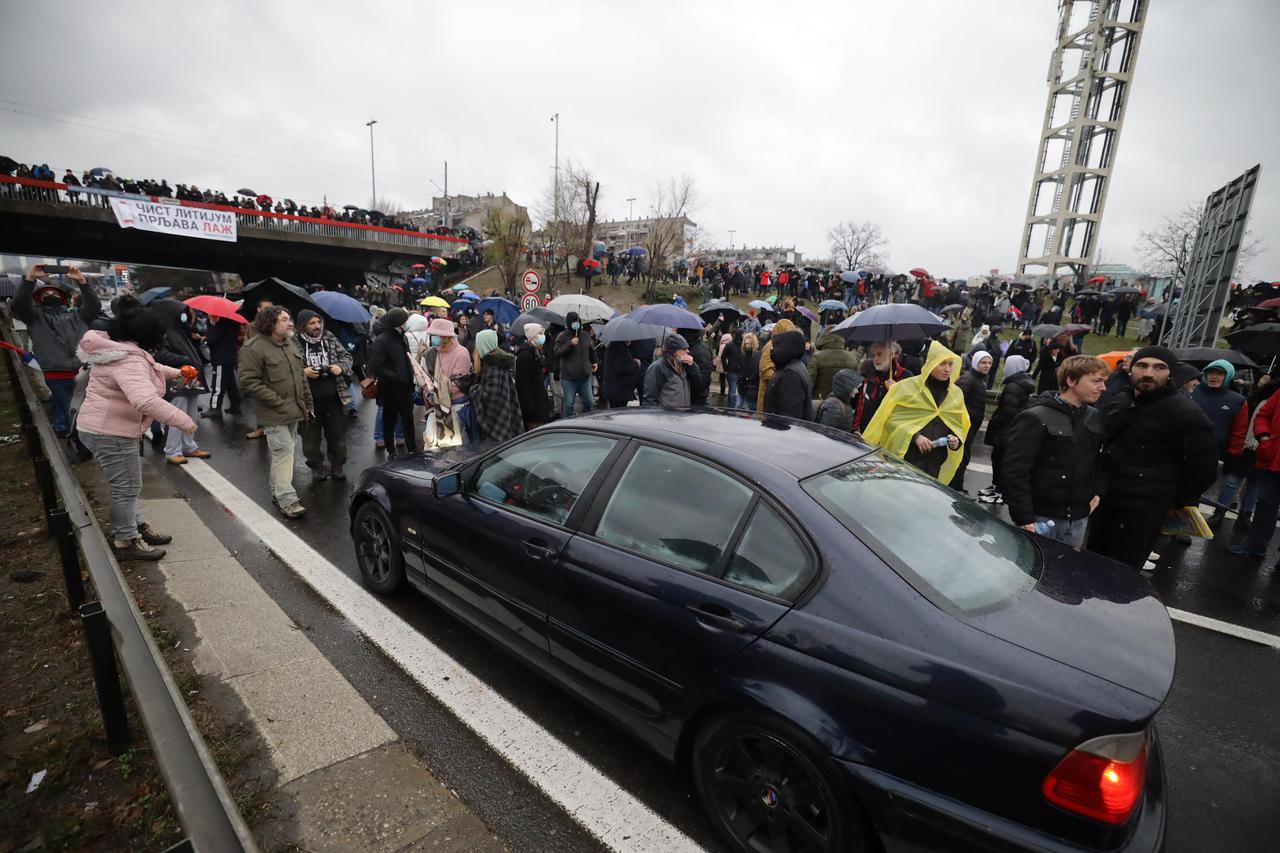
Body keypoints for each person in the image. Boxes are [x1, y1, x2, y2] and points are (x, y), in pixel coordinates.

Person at [76, 298, 197, 560]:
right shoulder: (128, 359)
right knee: (126, 487)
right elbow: (144, 400)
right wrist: (184, 421)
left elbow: (150, 367)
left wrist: (176, 373)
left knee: (128, 484)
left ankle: (134, 525)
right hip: (111, 432)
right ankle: (126, 539)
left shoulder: (120, 349)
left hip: (102, 427)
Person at [1089, 346, 1218, 570]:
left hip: (1143, 511)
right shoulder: (1122, 400)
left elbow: (1203, 468)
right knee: (1091, 566)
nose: (1149, 373)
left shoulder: (1185, 412)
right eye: (1142, 365)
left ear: (1170, 373)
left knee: (1120, 575)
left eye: (1159, 367)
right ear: (1130, 369)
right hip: (1106, 502)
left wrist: (1179, 500)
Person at [1000, 356, 1109, 548]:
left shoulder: (1094, 417)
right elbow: (1015, 470)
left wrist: (1098, 492)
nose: (1103, 388)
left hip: (1078, 519)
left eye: (1104, 382)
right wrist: (1023, 516)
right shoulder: (1035, 417)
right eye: (1096, 381)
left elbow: (1100, 461)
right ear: (1071, 380)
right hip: (1039, 518)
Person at [237, 306, 313, 519]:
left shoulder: (290, 344)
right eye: (284, 320)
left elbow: (301, 377)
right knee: (284, 453)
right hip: (274, 413)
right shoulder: (254, 348)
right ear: (270, 323)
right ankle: (287, 499)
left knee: (283, 454)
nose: (290, 323)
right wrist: (277, 401)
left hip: (294, 410)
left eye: (289, 319)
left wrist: (308, 404)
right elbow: (247, 382)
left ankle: (277, 492)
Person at [13, 264, 101, 436]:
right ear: (38, 298)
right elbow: (19, 304)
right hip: (56, 374)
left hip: (84, 373)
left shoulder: (78, 315)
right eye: (44, 293)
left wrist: (83, 282)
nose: (49, 294)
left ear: (63, 297)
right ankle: (78, 444)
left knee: (82, 410)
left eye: (54, 292)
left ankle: (66, 431)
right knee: (74, 412)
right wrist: (29, 279)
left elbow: (94, 305)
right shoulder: (34, 318)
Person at [863, 341, 969, 482]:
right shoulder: (908, 387)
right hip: (906, 459)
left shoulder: (956, 394)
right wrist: (915, 436)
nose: (947, 369)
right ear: (931, 363)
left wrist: (955, 439)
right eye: (942, 364)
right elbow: (890, 420)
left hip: (934, 463)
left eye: (950, 364)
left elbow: (958, 423)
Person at [1190, 359, 1249, 526]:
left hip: (1212, 452)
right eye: (1211, 372)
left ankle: (1186, 527)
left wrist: (1234, 454)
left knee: (1197, 488)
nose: (1214, 377)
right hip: (1184, 448)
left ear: (1228, 376)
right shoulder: (1192, 391)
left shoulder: (1237, 400)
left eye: (1219, 373)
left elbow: (1240, 429)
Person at [151, 299, 211, 465]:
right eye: (182, 313)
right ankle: (173, 450)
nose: (185, 316)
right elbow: (161, 355)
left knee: (191, 414)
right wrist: (186, 359)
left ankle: (188, 446)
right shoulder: (162, 332)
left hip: (191, 378)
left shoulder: (181, 330)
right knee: (177, 414)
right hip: (176, 378)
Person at [294, 309, 352, 480]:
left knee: (337, 435)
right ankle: (316, 466)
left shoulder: (329, 337)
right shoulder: (293, 342)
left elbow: (347, 356)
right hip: (308, 401)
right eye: (312, 323)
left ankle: (337, 465)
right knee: (310, 439)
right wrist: (302, 371)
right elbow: (285, 367)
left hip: (334, 398)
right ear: (303, 326)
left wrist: (340, 367)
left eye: (318, 322)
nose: (317, 326)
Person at [978, 354, 1035, 505]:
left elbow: (1008, 411)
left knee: (999, 461)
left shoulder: (1013, 386)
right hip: (1010, 430)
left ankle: (1000, 491)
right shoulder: (1020, 383)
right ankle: (997, 487)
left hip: (1005, 431)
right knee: (998, 459)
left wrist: (995, 421)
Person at [366, 307, 418, 457]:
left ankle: (412, 449)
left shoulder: (403, 337)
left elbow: (406, 358)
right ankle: (391, 450)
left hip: (406, 388)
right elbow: (377, 366)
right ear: (398, 323)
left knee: (408, 419)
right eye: (405, 321)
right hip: (389, 389)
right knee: (389, 420)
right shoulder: (382, 340)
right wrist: (396, 377)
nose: (407, 323)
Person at [419, 317, 476, 448]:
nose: (433, 338)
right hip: (436, 405)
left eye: (435, 336)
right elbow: (426, 376)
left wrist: (435, 391)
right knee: (432, 443)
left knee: (452, 445)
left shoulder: (462, 353)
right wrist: (427, 390)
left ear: (445, 337)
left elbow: (457, 384)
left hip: (455, 406)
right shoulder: (432, 353)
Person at [949, 350, 992, 493]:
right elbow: (957, 401)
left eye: (989, 363)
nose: (987, 366)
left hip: (971, 425)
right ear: (975, 363)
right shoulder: (969, 379)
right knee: (962, 457)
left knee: (964, 457)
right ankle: (956, 488)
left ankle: (957, 485)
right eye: (983, 362)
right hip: (964, 425)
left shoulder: (979, 378)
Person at [470, 328, 524, 442]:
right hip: (504, 419)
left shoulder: (493, 366)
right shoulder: (495, 362)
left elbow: (491, 396)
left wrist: (473, 389)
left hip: (497, 424)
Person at [853, 340, 913, 432]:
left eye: (879, 354)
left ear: (891, 354)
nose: (875, 359)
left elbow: (908, 410)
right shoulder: (866, 374)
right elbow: (858, 405)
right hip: (864, 433)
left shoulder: (905, 376)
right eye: (873, 355)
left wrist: (895, 391)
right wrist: (855, 429)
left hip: (889, 434)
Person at [762, 329, 813, 420]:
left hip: (782, 432)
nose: (772, 351)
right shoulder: (797, 367)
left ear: (786, 349)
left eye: (776, 347)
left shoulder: (790, 374)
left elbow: (788, 417)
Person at [553, 311, 597, 416]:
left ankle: (584, 420)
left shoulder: (585, 335)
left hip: (585, 377)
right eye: (573, 322)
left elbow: (591, 349)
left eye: (577, 321)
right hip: (569, 378)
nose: (575, 324)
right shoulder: (562, 336)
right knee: (568, 404)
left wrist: (595, 361)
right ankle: (566, 425)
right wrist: (570, 344)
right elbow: (558, 352)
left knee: (589, 402)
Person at [642, 334, 699, 407]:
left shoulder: (686, 365)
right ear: (674, 352)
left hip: (683, 415)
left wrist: (693, 366)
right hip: (666, 416)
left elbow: (698, 386)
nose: (687, 351)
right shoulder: (658, 367)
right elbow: (650, 398)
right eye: (683, 349)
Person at [755, 318, 798, 411]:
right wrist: (782, 381)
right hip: (766, 398)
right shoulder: (771, 346)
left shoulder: (783, 345)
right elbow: (765, 370)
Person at [514, 322, 551, 429]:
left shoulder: (536, 352)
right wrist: (529, 406)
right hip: (533, 408)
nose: (543, 337)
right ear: (532, 336)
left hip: (538, 403)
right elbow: (523, 384)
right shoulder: (525, 355)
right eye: (540, 333)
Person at [204, 316, 242, 416]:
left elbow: (212, 339)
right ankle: (235, 405)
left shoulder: (222, 323)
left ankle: (215, 407)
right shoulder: (234, 321)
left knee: (218, 384)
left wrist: (211, 326)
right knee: (230, 384)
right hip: (230, 356)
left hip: (221, 357)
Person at [808, 331, 859, 401]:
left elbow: (809, 383)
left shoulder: (817, 357)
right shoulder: (852, 358)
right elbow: (855, 385)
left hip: (819, 402)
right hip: (843, 404)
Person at [815, 368, 863, 433]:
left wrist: (852, 432)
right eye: (855, 388)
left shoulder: (844, 402)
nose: (857, 391)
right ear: (846, 387)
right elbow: (825, 434)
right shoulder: (833, 407)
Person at [603, 338, 641, 408]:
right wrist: (636, 363)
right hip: (618, 390)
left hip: (616, 389)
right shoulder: (618, 347)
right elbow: (621, 366)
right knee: (618, 412)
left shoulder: (616, 345)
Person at [738, 332, 761, 412]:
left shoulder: (756, 357)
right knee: (738, 407)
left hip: (750, 389)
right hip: (742, 388)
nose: (746, 345)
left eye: (748, 344)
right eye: (745, 343)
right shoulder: (743, 355)